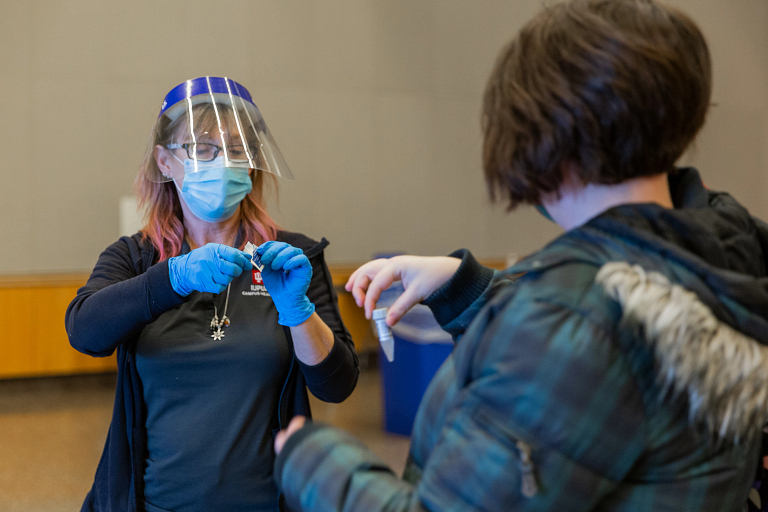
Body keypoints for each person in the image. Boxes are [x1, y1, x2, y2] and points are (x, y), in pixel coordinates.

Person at [271, 1, 768, 510]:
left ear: (545, 135)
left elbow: (577, 337)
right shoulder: (730, 243)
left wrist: (318, 463)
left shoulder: (571, 320)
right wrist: (463, 285)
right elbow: (607, 334)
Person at [65, 76, 359, 512]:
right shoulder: (136, 257)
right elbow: (85, 331)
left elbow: (337, 384)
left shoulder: (291, 257)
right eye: (204, 149)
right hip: (156, 503)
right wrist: (174, 278)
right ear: (165, 162)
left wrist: (297, 311)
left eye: (237, 150)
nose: (224, 163)